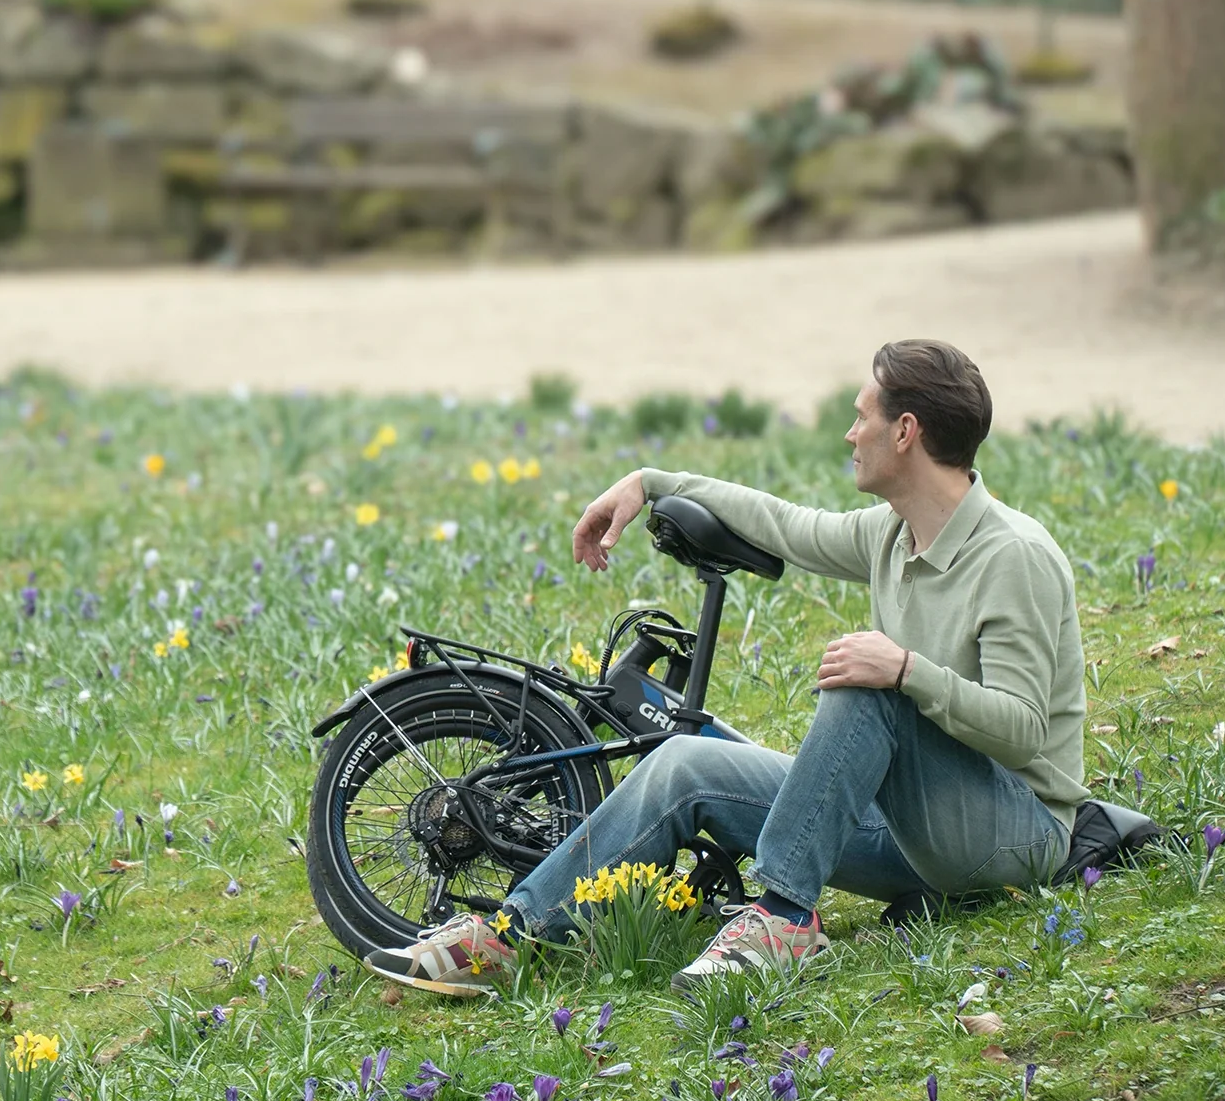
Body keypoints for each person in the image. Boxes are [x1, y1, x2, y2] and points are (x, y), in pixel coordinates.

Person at [364, 339, 1088, 997]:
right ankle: (513, 936)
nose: (850, 433)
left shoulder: (1011, 555)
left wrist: (906, 672)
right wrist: (649, 481)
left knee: (870, 683)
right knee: (685, 762)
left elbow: (1024, 734)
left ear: (906, 432)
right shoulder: (891, 536)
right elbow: (780, 522)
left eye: (862, 416)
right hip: (908, 834)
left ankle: (782, 918)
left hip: (1012, 834)